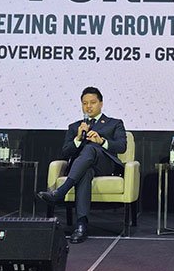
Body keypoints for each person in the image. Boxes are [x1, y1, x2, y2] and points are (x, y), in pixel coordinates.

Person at [37, 86, 127, 243]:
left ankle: (61, 192)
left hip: (106, 166)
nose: (88, 106)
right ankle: (81, 226)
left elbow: (121, 146)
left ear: (101, 104)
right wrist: (78, 139)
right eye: (85, 103)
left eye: (92, 102)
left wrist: (102, 141)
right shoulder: (75, 127)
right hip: (82, 168)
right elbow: (65, 153)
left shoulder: (114, 123)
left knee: (91, 148)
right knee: (85, 172)